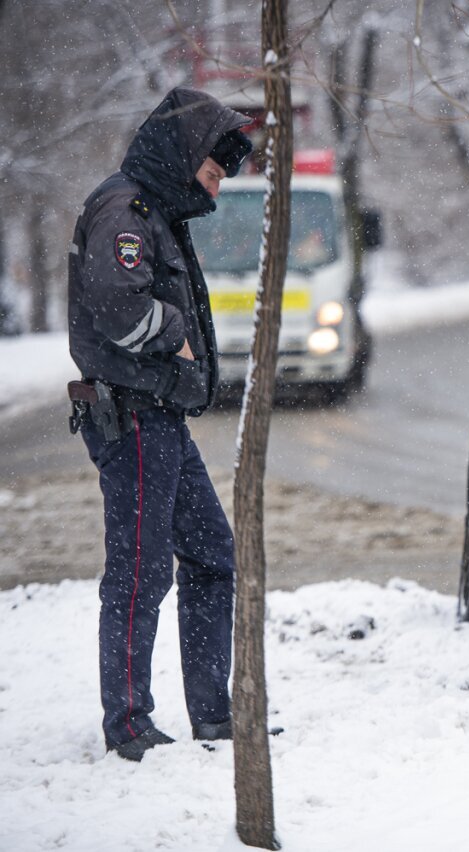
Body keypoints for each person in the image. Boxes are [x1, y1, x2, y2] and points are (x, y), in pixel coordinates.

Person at [66, 88, 253, 762]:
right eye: (216, 168)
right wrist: (174, 337)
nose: (220, 181)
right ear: (186, 152)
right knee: (139, 573)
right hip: (132, 416)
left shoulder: (157, 212)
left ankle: (211, 714)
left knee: (210, 555)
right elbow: (117, 301)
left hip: (159, 413)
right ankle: (129, 725)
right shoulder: (125, 208)